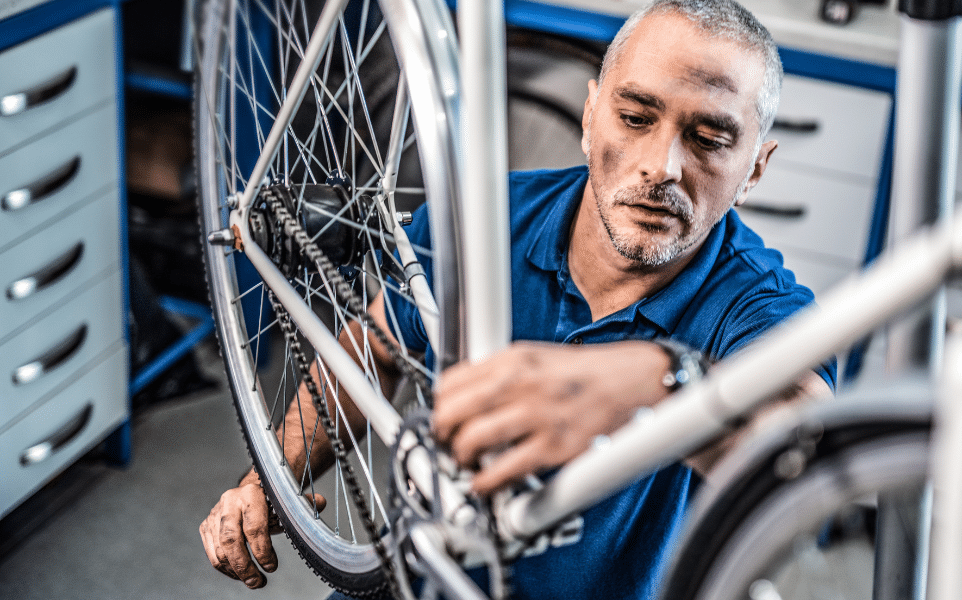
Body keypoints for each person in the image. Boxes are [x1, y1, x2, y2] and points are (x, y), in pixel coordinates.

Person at [199, 0, 836, 597]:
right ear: (590, 118)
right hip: (422, 574)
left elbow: (800, 439)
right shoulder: (486, 223)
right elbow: (377, 347)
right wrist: (267, 479)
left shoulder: (760, 305)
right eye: (636, 118)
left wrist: (663, 383)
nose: (662, 165)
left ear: (755, 168)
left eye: (709, 139)